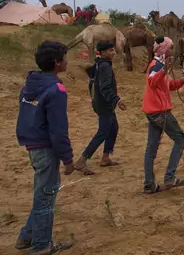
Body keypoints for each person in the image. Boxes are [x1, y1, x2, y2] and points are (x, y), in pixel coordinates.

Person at [15, 41, 74, 254]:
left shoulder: (30, 84)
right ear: (57, 63)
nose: (68, 62)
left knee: (42, 193)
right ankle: (41, 246)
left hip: (32, 145)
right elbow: (58, 130)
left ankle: (26, 236)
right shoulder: (56, 90)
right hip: (46, 149)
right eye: (65, 58)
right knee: (46, 197)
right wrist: (67, 159)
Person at [142, 37, 184, 193]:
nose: (173, 51)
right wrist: (164, 70)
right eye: (171, 48)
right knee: (180, 139)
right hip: (160, 112)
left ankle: (149, 185)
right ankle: (170, 177)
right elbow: (153, 81)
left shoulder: (159, 66)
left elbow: (169, 85)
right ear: (164, 50)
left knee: (151, 149)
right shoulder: (156, 66)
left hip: (153, 111)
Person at [74, 41, 125, 175]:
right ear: (102, 52)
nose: (113, 53)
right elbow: (104, 87)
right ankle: (82, 160)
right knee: (103, 131)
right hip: (104, 104)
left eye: (113, 50)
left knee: (113, 127)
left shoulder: (99, 64)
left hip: (100, 101)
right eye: (110, 51)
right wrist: (117, 99)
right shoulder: (104, 67)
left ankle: (106, 157)